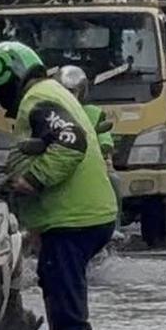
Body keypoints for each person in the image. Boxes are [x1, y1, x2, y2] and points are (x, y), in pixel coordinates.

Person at [0, 41, 119, 330]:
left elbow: (71, 141)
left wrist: (33, 180)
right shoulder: (52, 91)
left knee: (69, 306)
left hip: (75, 218)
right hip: (83, 215)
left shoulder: (37, 99)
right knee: (55, 283)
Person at [57, 65, 123, 240]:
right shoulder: (48, 113)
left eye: (72, 91)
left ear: (81, 92)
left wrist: (105, 154)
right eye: (64, 91)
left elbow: (104, 138)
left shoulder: (93, 113)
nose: (68, 95)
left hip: (90, 165)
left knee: (115, 180)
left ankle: (114, 225)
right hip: (56, 166)